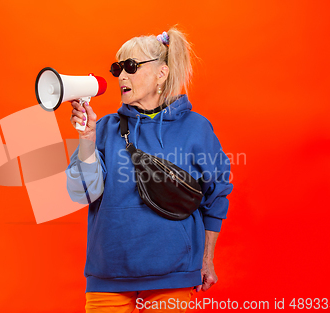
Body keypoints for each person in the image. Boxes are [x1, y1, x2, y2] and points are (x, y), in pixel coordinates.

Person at [65, 26, 233, 312]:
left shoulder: (197, 129)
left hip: (173, 276)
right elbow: (84, 193)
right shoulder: (103, 129)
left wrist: (206, 260)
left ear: (161, 74)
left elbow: (216, 197)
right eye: (118, 68)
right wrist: (86, 138)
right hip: (109, 276)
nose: (121, 76)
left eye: (131, 66)